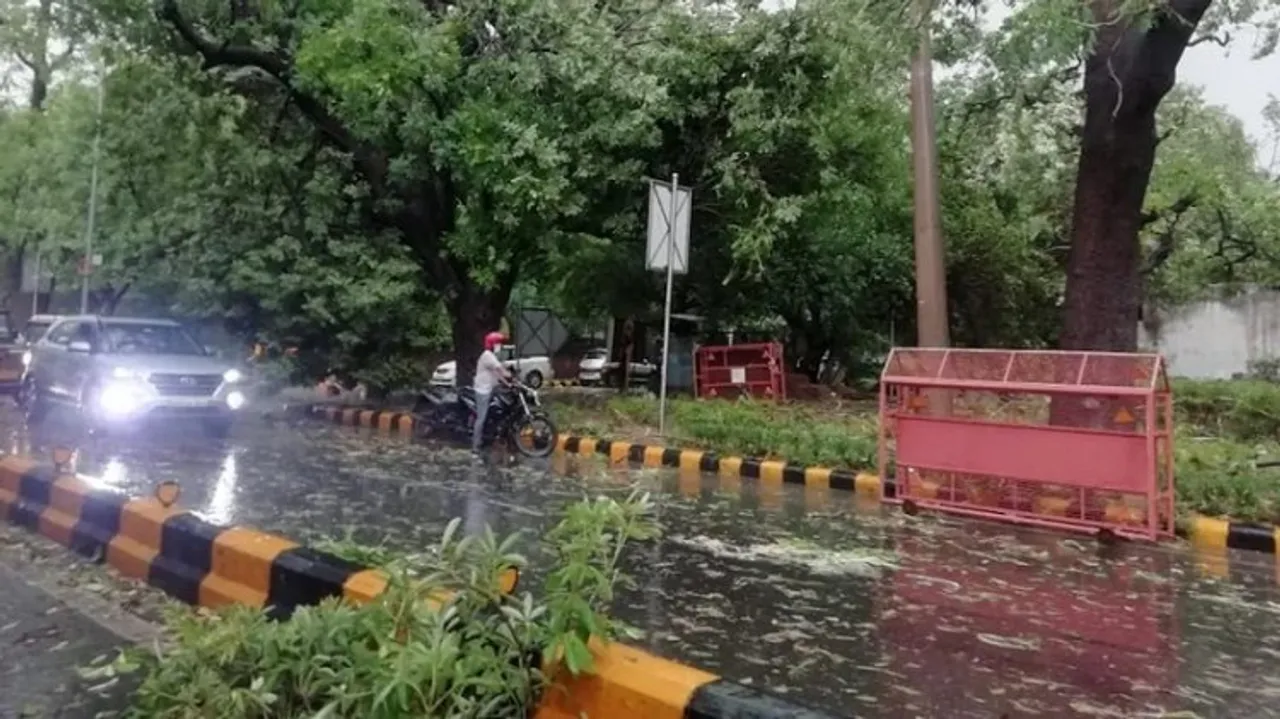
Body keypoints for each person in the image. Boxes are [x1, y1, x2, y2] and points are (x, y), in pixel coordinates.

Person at [472, 331, 513, 453]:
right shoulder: (487, 356)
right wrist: (510, 376)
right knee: (481, 417)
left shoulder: (491, 356)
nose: (499, 346)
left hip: (489, 389)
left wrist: (508, 384)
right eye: (498, 344)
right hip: (482, 390)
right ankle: (475, 445)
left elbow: (497, 374)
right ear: (492, 344)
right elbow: (500, 370)